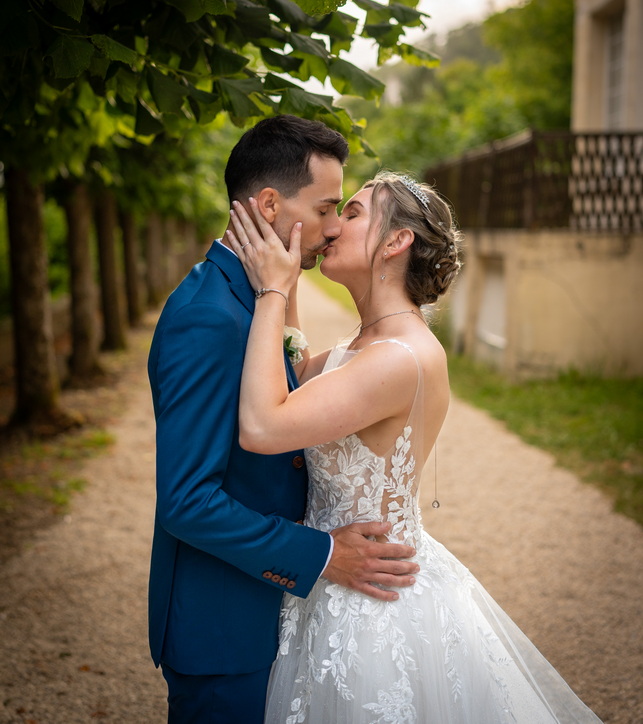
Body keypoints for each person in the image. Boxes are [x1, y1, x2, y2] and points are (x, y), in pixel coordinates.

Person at [227, 172, 603, 723]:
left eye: (351, 214)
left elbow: (262, 426)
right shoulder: (365, 346)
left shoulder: (397, 359)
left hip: (369, 605)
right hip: (333, 578)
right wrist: (291, 271)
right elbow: (297, 373)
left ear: (397, 242)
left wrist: (273, 290)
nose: (331, 226)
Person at [147, 117, 419, 724]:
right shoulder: (209, 319)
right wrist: (323, 554)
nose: (332, 227)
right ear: (270, 203)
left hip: (272, 615)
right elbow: (186, 501)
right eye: (326, 207)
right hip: (225, 627)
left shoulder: (247, 294)